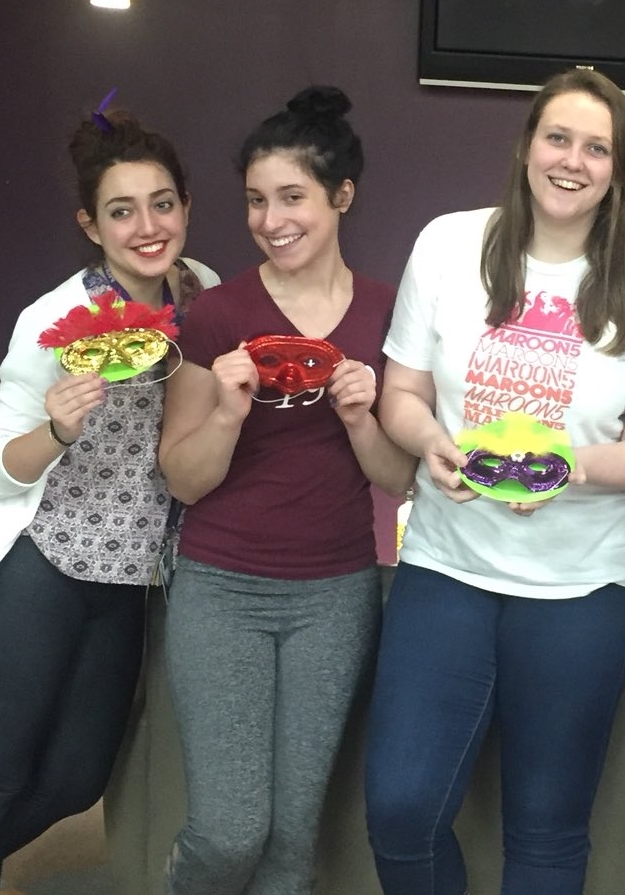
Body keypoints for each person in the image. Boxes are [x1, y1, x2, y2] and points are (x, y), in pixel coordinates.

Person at [363, 68, 625, 894]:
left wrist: (563, 465)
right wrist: (434, 440)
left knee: (546, 829)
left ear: (618, 171)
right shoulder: (448, 244)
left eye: (596, 148)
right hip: (445, 567)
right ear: (525, 148)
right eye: (558, 138)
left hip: (582, 592)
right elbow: (399, 391)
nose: (572, 161)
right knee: (401, 808)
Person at [0, 106, 217, 895]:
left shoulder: (201, 294)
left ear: (186, 208)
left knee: (74, 778)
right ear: (90, 223)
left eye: (162, 203)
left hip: (129, 573)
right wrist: (59, 428)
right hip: (31, 561)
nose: (147, 226)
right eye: (121, 210)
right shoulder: (54, 322)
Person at [156, 85, 414, 895]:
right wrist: (229, 414)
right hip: (221, 587)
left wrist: (365, 418)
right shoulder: (218, 314)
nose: (273, 220)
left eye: (293, 197)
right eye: (257, 202)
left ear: (341, 196)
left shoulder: (388, 314)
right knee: (231, 830)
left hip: (335, 594)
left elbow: (399, 479)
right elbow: (183, 477)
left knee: (293, 841)